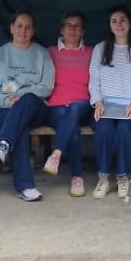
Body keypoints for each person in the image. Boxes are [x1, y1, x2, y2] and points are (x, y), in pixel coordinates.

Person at [0, 10, 55, 201]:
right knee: (19, 128)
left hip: (32, 108)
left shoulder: (42, 54)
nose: (23, 30)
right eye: (19, 26)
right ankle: (25, 186)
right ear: (11, 28)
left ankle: (2, 147)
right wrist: (6, 100)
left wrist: (20, 96)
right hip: (0, 109)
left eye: (28, 27)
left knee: (27, 100)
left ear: (33, 31)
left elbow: (47, 87)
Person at [87, 5, 131, 200]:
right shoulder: (100, 49)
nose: (119, 24)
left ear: (130, 24)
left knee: (125, 128)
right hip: (105, 105)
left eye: (123, 20)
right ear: (109, 26)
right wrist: (98, 102)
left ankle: (122, 176)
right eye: (114, 21)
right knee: (104, 128)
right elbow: (94, 79)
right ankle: (103, 177)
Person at [43, 11, 94, 197]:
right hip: (55, 107)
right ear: (61, 30)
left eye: (77, 26)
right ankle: (77, 177)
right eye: (68, 26)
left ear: (83, 31)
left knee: (73, 108)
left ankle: (56, 154)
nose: (72, 30)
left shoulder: (92, 53)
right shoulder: (49, 52)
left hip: (83, 105)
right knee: (70, 125)